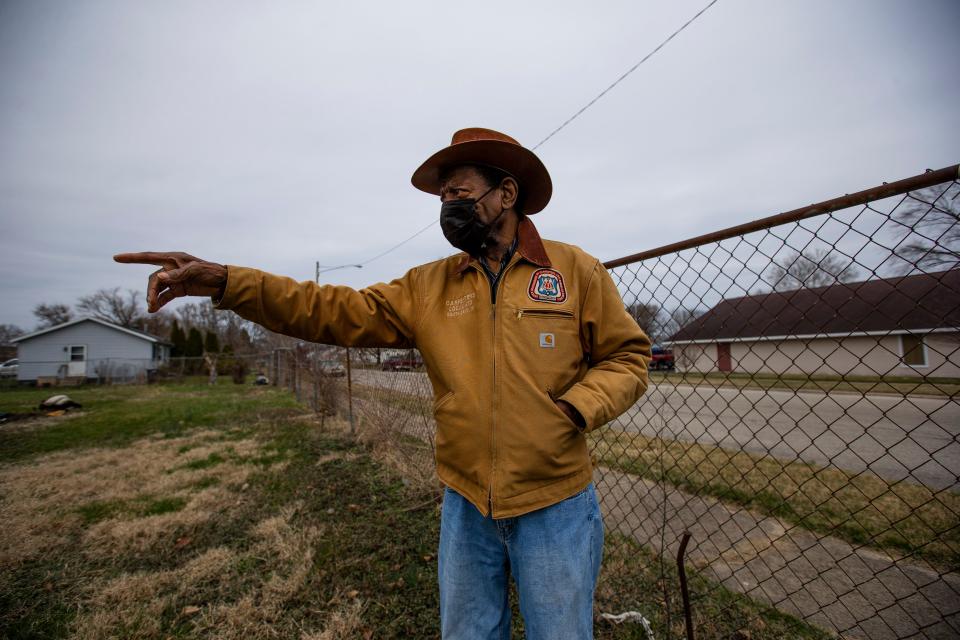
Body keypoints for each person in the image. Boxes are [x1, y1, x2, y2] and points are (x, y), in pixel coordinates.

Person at [115, 127, 651, 639]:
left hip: (556, 502)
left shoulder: (576, 271)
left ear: (506, 192)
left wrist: (576, 409)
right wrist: (229, 282)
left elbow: (627, 355)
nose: (447, 206)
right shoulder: (429, 286)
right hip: (466, 504)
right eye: (442, 197)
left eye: (458, 192)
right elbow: (329, 308)